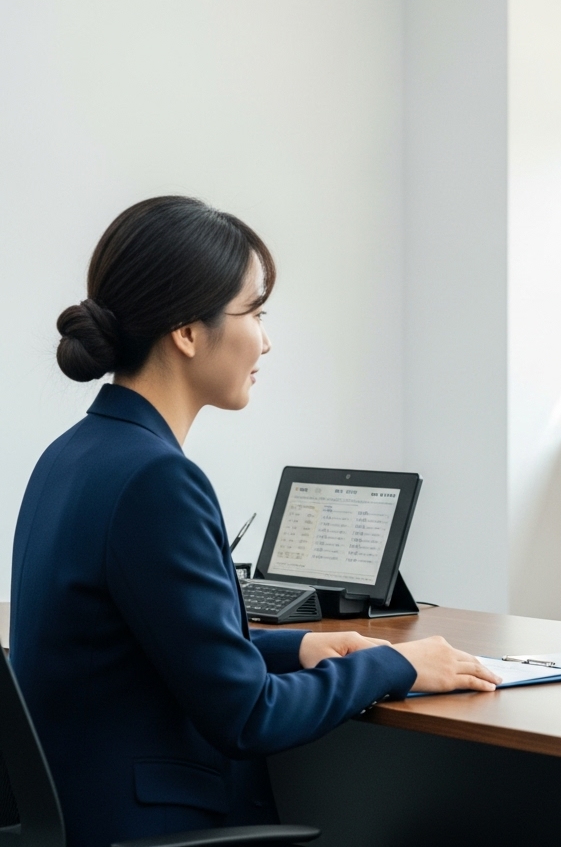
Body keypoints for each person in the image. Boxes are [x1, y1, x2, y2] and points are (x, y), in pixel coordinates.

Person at [9, 196, 500, 847]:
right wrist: (398, 667)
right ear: (187, 331)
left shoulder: (71, 456)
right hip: (153, 827)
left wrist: (298, 647)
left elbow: (154, 647)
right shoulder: (157, 480)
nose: (265, 339)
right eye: (255, 312)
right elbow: (246, 715)